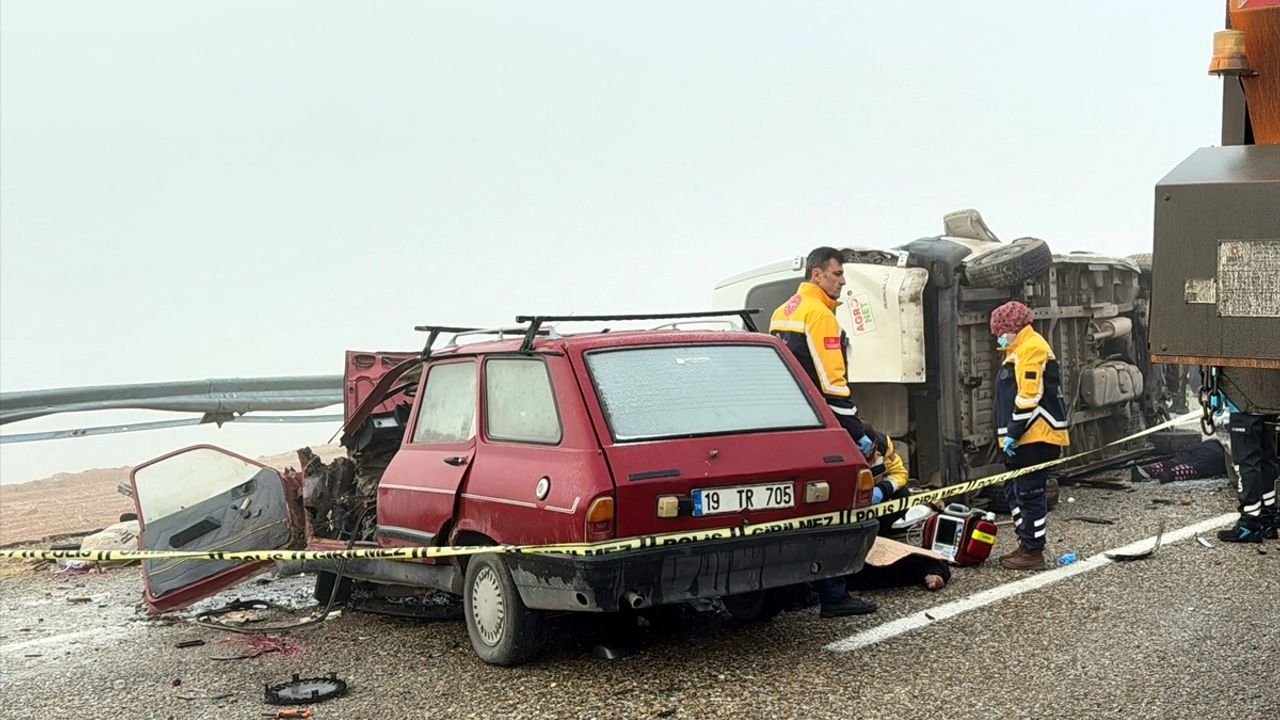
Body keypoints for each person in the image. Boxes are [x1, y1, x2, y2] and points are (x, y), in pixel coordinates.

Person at [770, 246, 876, 617]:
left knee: (794, 511)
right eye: (837, 274)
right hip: (823, 430)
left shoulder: (782, 312)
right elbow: (834, 385)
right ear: (817, 275)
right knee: (837, 509)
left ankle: (796, 590)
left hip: (787, 427)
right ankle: (834, 595)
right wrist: (856, 431)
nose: (843, 281)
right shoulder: (820, 316)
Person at [990, 301, 1070, 571]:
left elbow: (1029, 395)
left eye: (1000, 331)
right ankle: (1026, 543)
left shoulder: (1032, 348)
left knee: (1029, 493)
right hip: (1025, 438)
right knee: (1014, 491)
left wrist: (1013, 432)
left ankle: (1033, 552)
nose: (997, 337)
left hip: (1036, 437)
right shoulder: (1018, 350)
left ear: (1012, 328)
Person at [1217, 401, 1279, 543]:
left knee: (1246, 463)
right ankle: (1268, 520)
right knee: (1268, 460)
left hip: (1243, 404)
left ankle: (1249, 524)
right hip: (1269, 405)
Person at [1132, 438, 1228, 483]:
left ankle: (1148, 470)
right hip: (1217, 453)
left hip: (1199, 446)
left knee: (1175, 461)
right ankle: (1171, 474)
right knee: (1195, 467)